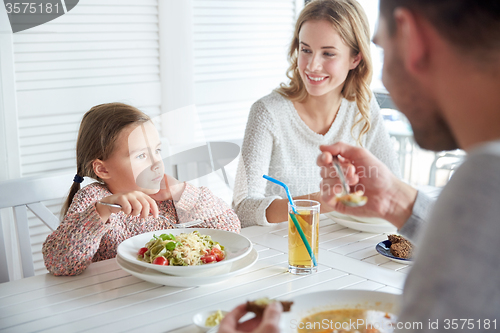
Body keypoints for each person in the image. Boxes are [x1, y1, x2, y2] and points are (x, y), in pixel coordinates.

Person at [220, 0, 500, 331]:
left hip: (342, 262)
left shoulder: (481, 184)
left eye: (380, 44)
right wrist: (395, 201)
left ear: (411, 38)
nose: (312, 64)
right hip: (281, 264)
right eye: (305, 49)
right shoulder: (481, 182)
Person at [232, 0, 400, 227]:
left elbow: (394, 187)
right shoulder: (268, 113)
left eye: (328, 54)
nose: (312, 66)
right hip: (282, 249)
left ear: (355, 58)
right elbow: (242, 209)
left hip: (345, 244)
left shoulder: (363, 106)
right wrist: (320, 202)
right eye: (306, 50)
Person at [42, 103, 241, 276]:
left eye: (157, 151)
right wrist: (101, 211)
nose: (157, 163)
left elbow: (231, 230)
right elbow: (60, 264)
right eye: (140, 156)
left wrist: (184, 192)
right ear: (102, 169)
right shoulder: (95, 199)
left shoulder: (169, 195)